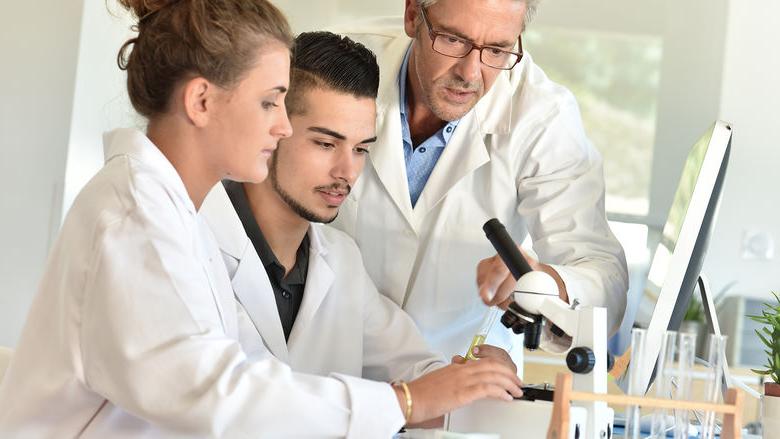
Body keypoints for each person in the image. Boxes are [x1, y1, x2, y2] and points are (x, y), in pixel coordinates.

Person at [0, 2, 521, 438]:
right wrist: (403, 402)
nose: (280, 126)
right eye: (271, 102)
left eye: (362, 148)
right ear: (202, 101)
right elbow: (214, 392)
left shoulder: (167, 210)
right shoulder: (135, 217)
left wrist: (456, 384)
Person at [200, 29, 521, 418]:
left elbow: (423, 375)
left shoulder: (341, 261)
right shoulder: (194, 240)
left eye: (360, 149)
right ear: (273, 129)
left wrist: (482, 381)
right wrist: (407, 400)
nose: (346, 171)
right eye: (325, 143)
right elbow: (228, 403)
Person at [331, 0, 629, 361]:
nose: (471, 74)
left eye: (497, 49)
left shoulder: (542, 116)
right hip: (324, 372)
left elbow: (605, 281)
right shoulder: (335, 69)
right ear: (413, 15)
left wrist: (546, 284)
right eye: (454, 40)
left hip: (456, 383)